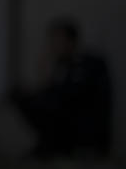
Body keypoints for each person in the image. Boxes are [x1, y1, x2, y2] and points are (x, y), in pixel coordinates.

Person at [11, 17, 111, 158]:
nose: (53, 45)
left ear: (70, 41)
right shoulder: (62, 63)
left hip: (81, 124)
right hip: (66, 117)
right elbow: (49, 90)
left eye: (57, 40)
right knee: (22, 96)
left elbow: (72, 96)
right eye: (52, 40)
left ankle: (55, 146)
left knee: (46, 105)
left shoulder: (87, 63)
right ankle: (49, 144)